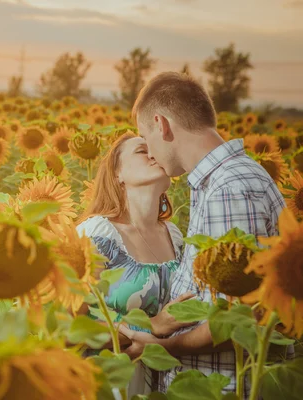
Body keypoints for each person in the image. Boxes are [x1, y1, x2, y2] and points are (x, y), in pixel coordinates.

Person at [118, 71, 287, 395]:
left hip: (228, 387)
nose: (150, 153)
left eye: (146, 137)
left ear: (162, 124)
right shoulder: (221, 181)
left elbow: (241, 317)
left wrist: (163, 347)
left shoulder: (229, 188)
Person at [75, 131, 194, 397]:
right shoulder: (96, 234)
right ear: (118, 174)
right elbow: (68, 329)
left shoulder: (174, 235)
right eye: (142, 151)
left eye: (155, 149)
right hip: (107, 383)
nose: (154, 154)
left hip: (164, 382)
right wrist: (150, 326)